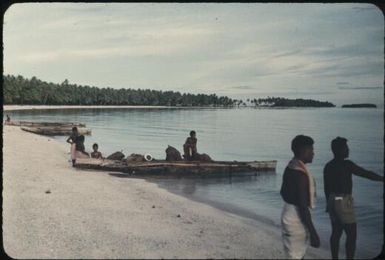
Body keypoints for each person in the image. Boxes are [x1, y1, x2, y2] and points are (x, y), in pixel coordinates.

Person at [323, 137, 383, 260]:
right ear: (339, 150)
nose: (348, 150)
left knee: (336, 232)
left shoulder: (328, 166)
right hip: (343, 200)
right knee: (351, 234)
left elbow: (326, 188)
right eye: (346, 148)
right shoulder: (347, 164)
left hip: (332, 199)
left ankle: (335, 258)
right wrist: (382, 178)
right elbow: (365, 173)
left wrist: (329, 204)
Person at [280, 135, 320, 259]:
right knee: (296, 256)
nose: (313, 153)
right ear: (304, 150)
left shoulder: (290, 166)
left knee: (293, 254)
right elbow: (303, 207)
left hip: (288, 211)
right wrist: (313, 232)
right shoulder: (300, 175)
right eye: (311, 150)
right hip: (295, 218)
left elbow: (282, 192)